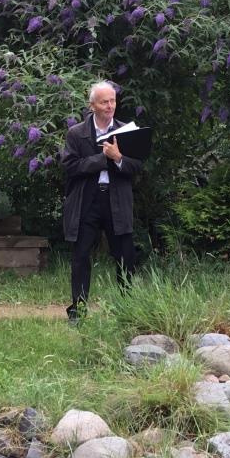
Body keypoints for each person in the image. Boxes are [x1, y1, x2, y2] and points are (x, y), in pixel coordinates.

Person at [61, 80, 143, 322]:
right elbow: (70, 166)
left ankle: (127, 308)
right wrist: (102, 159)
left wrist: (118, 158)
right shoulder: (76, 133)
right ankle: (79, 308)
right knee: (81, 255)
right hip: (87, 199)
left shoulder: (127, 130)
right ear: (92, 105)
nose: (110, 106)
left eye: (113, 101)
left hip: (117, 200)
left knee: (124, 255)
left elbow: (137, 166)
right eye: (104, 102)